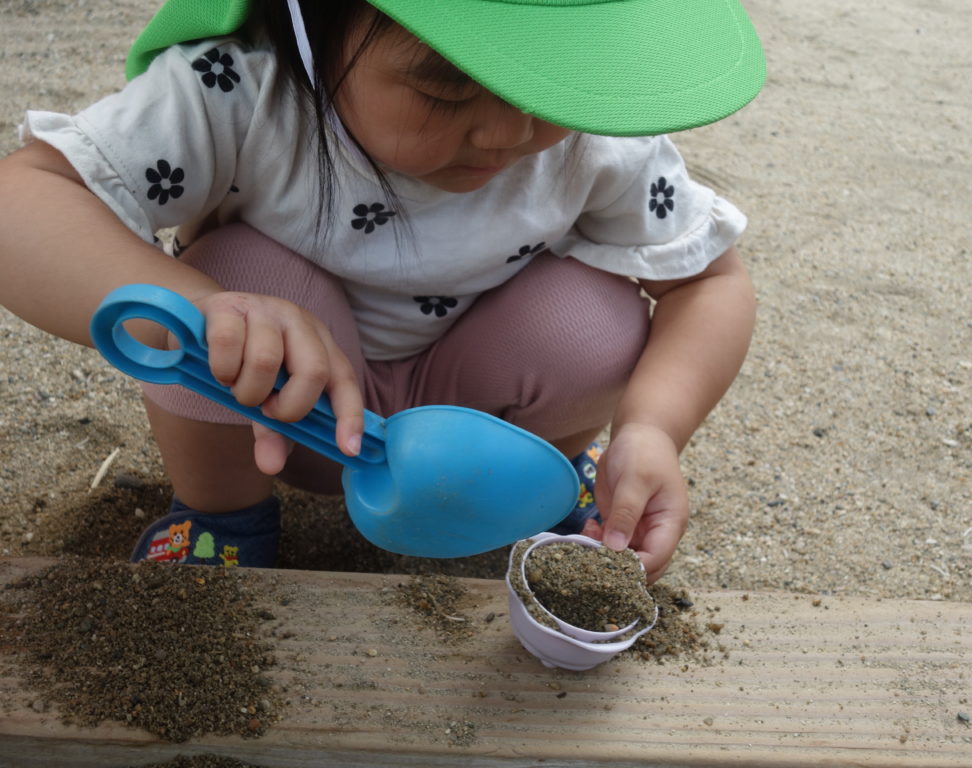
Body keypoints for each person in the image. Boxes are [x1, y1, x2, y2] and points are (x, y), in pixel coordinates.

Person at [0, 0, 764, 582]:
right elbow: (24, 199)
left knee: (596, 319)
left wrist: (653, 428)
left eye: (549, 83)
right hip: (290, 412)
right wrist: (198, 306)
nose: (507, 131)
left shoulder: (592, 137)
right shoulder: (236, 91)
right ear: (311, 24)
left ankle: (529, 485)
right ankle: (220, 517)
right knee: (230, 281)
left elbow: (710, 283)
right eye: (445, 87)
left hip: (479, 407)